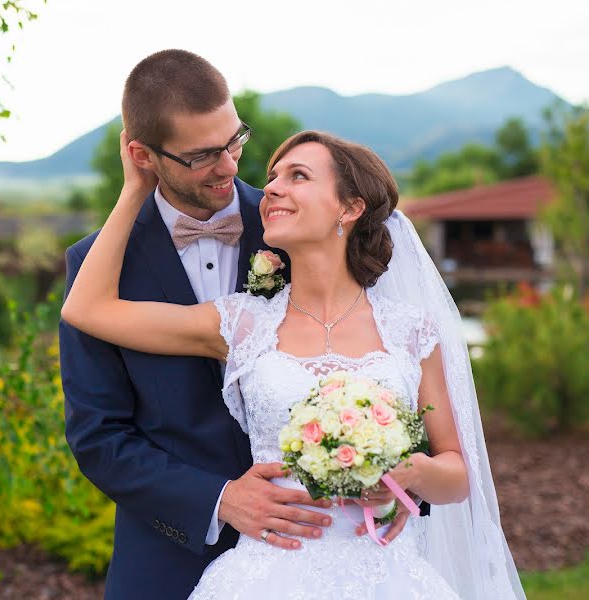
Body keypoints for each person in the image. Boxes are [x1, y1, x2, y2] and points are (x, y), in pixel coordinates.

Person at [61, 125, 525, 598]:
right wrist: (137, 187)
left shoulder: (410, 331)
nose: (272, 188)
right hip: (267, 576)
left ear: (349, 207)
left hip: (387, 576)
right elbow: (86, 309)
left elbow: (457, 473)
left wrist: (409, 475)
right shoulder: (241, 323)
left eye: (298, 175)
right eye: (273, 176)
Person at [60, 50, 416, 600]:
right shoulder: (96, 270)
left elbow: (383, 367)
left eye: (234, 141)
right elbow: (98, 436)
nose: (229, 165)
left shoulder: (301, 224)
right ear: (143, 155)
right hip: (168, 558)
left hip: (330, 549)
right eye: (203, 154)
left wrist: (392, 479)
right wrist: (218, 498)